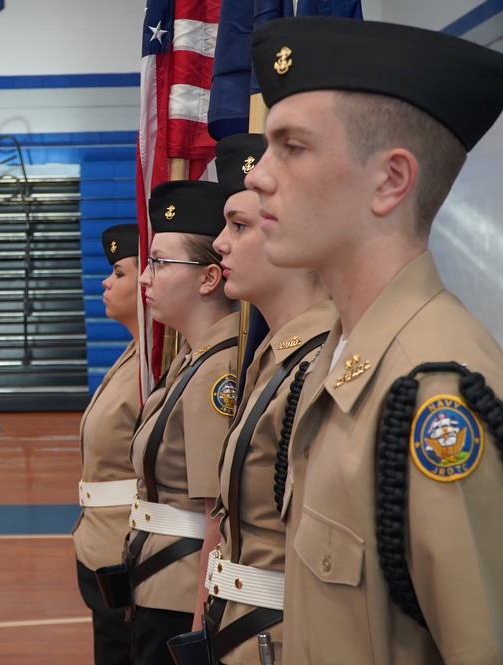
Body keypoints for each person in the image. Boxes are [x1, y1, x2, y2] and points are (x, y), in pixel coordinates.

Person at [244, 17, 503, 663]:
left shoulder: (433, 392)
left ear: (390, 180)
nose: (258, 175)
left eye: (292, 147)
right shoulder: (342, 359)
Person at [196, 133, 335, 664]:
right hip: (239, 624)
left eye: (238, 226)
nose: (220, 244)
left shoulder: (318, 366)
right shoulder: (270, 360)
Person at [125, 180, 238, 664]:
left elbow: (216, 511)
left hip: (181, 593)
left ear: (209, 279)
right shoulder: (191, 359)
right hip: (157, 579)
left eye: (159, 262)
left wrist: (199, 628)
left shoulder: (218, 370)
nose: (145, 279)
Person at [74, 223, 142, 665]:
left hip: (129, 554)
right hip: (103, 549)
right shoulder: (133, 355)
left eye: (119, 272)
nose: (106, 281)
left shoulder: (159, 366)